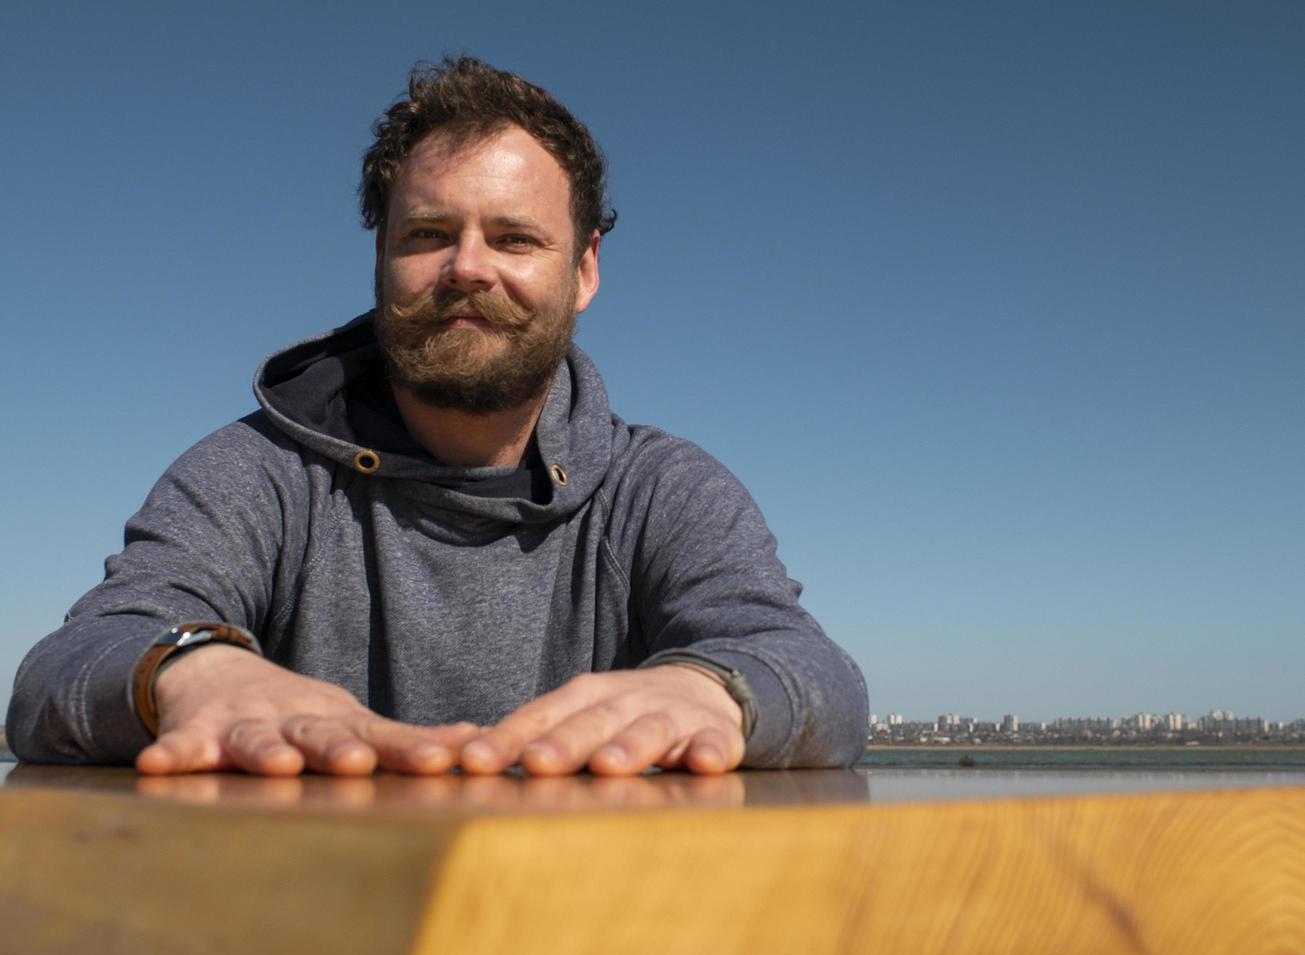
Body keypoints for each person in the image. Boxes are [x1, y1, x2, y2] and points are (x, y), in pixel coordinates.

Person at [6, 58, 868, 777]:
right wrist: (191, 673)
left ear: (584, 271)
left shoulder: (661, 489)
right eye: (426, 234)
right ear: (380, 256)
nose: (467, 268)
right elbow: (57, 677)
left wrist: (705, 688)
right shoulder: (258, 471)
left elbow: (817, 677)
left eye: (514, 238)